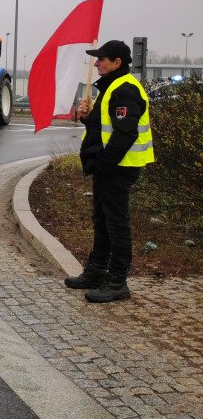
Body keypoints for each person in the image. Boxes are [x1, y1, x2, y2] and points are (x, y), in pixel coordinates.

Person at [64, 39, 154, 303]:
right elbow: (106, 127)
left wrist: (103, 163)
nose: (96, 63)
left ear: (117, 62)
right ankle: (95, 272)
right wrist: (86, 117)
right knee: (102, 222)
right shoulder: (112, 86)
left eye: (101, 59)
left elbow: (125, 134)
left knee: (116, 225)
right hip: (110, 167)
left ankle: (117, 282)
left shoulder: (124, 89)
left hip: (118, 167)